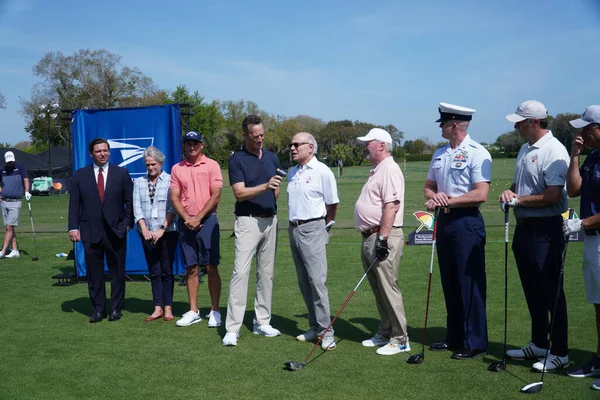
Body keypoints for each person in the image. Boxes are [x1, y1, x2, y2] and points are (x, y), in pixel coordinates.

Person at [500, 100, 570, 372]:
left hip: (547, 229)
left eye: (520, 121)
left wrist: (519, 202)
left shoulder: (554, 150)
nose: (516, 126)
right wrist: (509, 193)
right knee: (532, 289)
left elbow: (553, 194)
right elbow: (520, 187)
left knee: (551, 291)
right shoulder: (525, 148)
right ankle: (540, 343)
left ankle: (561, 351)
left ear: (535, 122)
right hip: (525, 228)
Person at [424, 103, 491, 360]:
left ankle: (475, 341)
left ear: (454, 126)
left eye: (443, 123)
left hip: (467, 222)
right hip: (446, 222)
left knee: (470, 282)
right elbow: (429, 187)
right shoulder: (440, 153)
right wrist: (435, 197)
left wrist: (448, 200)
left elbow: (481, 193)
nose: (440, 127)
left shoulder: (477, 152)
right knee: (450, 281)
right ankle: (455, 337)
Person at [223, 114, 282, 346]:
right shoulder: (237, 160)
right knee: (240, 273)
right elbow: (239, 193)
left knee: (266, 274)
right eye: (255, 135)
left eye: (262, 134)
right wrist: (265, 186)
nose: (260, 139)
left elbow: (275, 190)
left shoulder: (272, 157)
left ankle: (262, 321)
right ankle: (232, 328)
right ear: (245, 135)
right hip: (247, 221)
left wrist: (272, 189)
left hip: (271, 221)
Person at [355, 128, 410, 356]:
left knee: (388, 288)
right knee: (379, 289)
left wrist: (383, 239)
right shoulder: (378, 170)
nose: (364, 147)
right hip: (371, 236)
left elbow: (391, 205)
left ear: (381, 145)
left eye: (367, 143)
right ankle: (386, 331)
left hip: (383, 236)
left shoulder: (389, 169)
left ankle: (400, 339)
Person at [68, 138, 133, 323]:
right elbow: (74, 205)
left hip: (116, 231)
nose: (103, 154)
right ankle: (97, 310)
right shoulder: (80, 176)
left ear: (109, 152)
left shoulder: (121, 173)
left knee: (117, 273)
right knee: (94, 273)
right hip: (90, 231)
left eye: (105, 150)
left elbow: (130, 201)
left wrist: (127, 223)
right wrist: (73, 227)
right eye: (98, 151)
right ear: (91, 154)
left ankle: (116, 309)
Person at [287, 132, 339, 351]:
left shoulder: (322, 171)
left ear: (310, 147)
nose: (292, 148)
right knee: (304, 282)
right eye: (291, 144)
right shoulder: (291, 172)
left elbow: (332, 204)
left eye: (296, 144)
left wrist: (323, 228)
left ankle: (327, 332)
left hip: (313, 228)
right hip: (293, 229)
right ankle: (314, 327)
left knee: (317, 282)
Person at [562, 105, 600, 389]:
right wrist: (575, 156)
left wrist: (583, 223)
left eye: (586, 128)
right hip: (593, 241)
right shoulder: (593, 157)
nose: (582, 133)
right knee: (598, 304)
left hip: (594, 233)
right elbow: (574, 190)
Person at [170, 131, 223, 328]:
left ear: (202, 145)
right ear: (184, 146)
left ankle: (215, 310)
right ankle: (193, 311)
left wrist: (198, 217)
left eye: (195, 143)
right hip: (186, 223)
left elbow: (215, 195)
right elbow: (175, 197)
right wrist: (187, 218)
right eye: (188, 143)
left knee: (210, 266)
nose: (191, 146)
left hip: (208, 221)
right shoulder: (177, 168)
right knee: (191, 267)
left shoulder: (212, 165)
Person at [133, 146, 178, 322]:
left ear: (160, 163)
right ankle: (157, 307)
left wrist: (162, 228)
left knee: (167, 270)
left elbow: (173, 206)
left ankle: (168, 308)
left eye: (153, 164)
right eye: (147, 164)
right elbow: (137, 208)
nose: (150, 168)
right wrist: (144, 229)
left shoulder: (170, 180)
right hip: (146, 233)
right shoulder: (139, 182)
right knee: (154, 270)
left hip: (168, 232)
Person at [0, 151, 31, 258]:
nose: (10, 163)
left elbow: (26, 179)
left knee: (9, 226)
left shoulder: (20, 168)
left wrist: (27, 191)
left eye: (12, 161)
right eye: (8, 161)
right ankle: (15, 250)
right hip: (4, 202)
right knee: (10, 228)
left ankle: (3, 251)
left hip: (15, 202)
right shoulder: (2, 170)